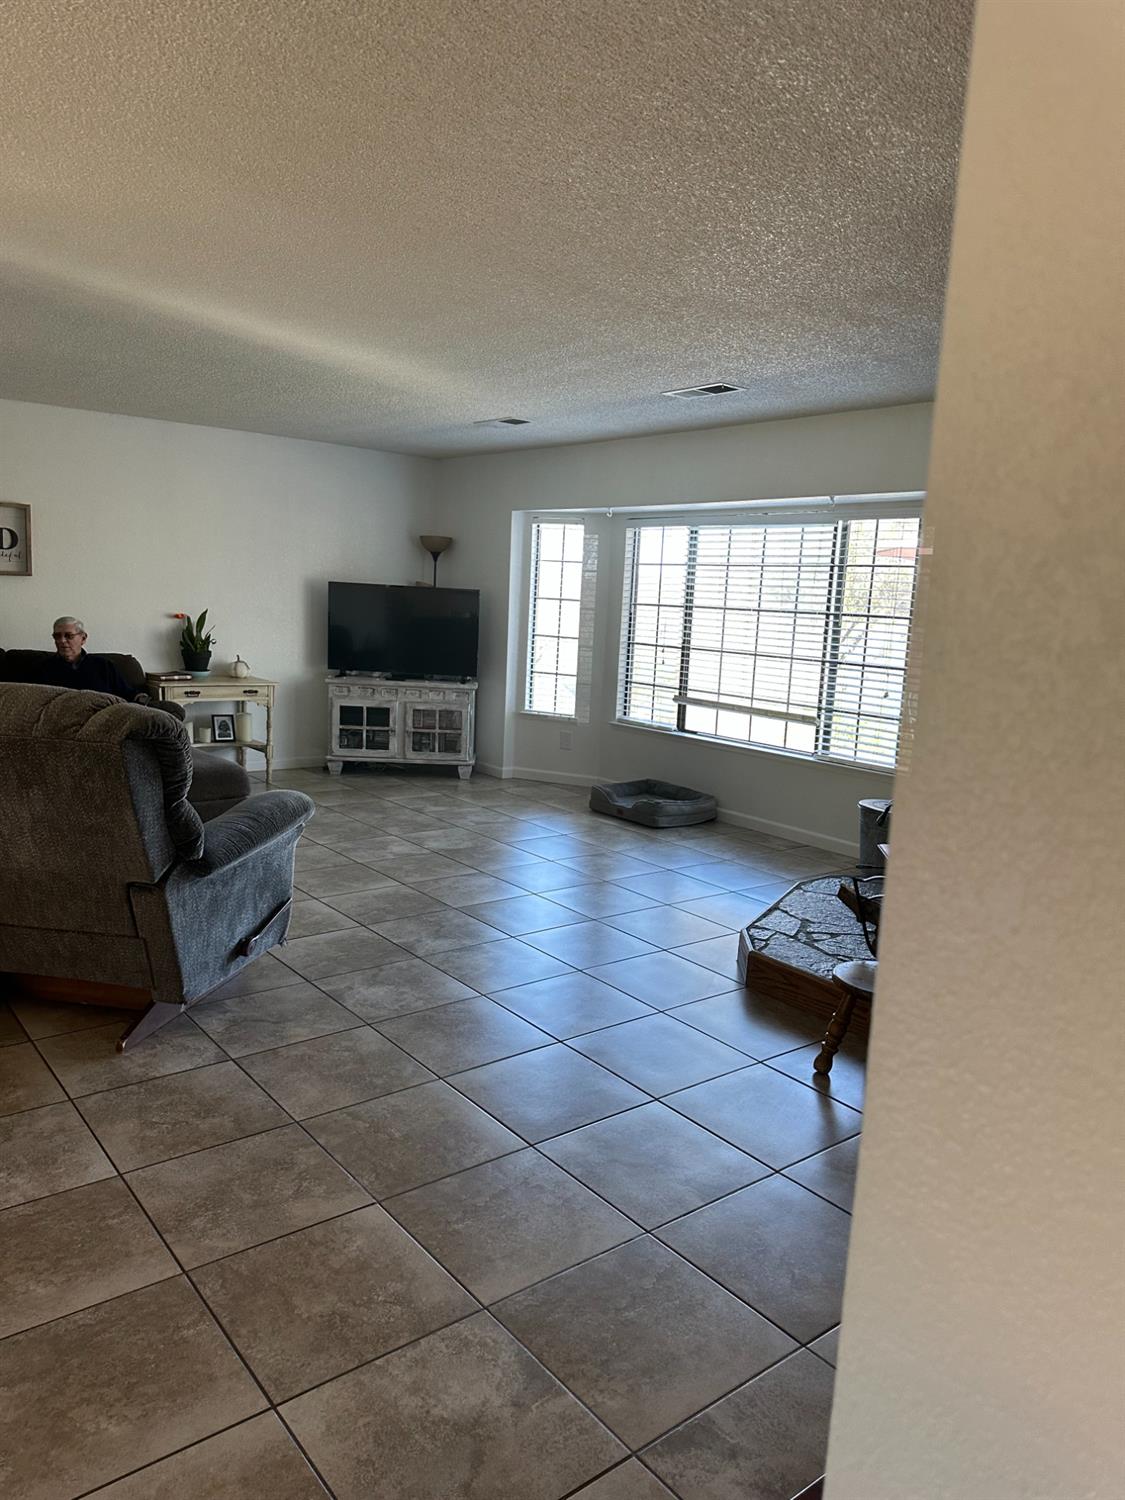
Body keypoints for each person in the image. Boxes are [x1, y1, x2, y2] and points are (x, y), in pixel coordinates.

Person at [44, 616, 135, 698]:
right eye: (57, 636)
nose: (62, 640)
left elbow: (127, 694)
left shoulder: (104, 666)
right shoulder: (43, 668)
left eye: (69, 636)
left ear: (83, 638)